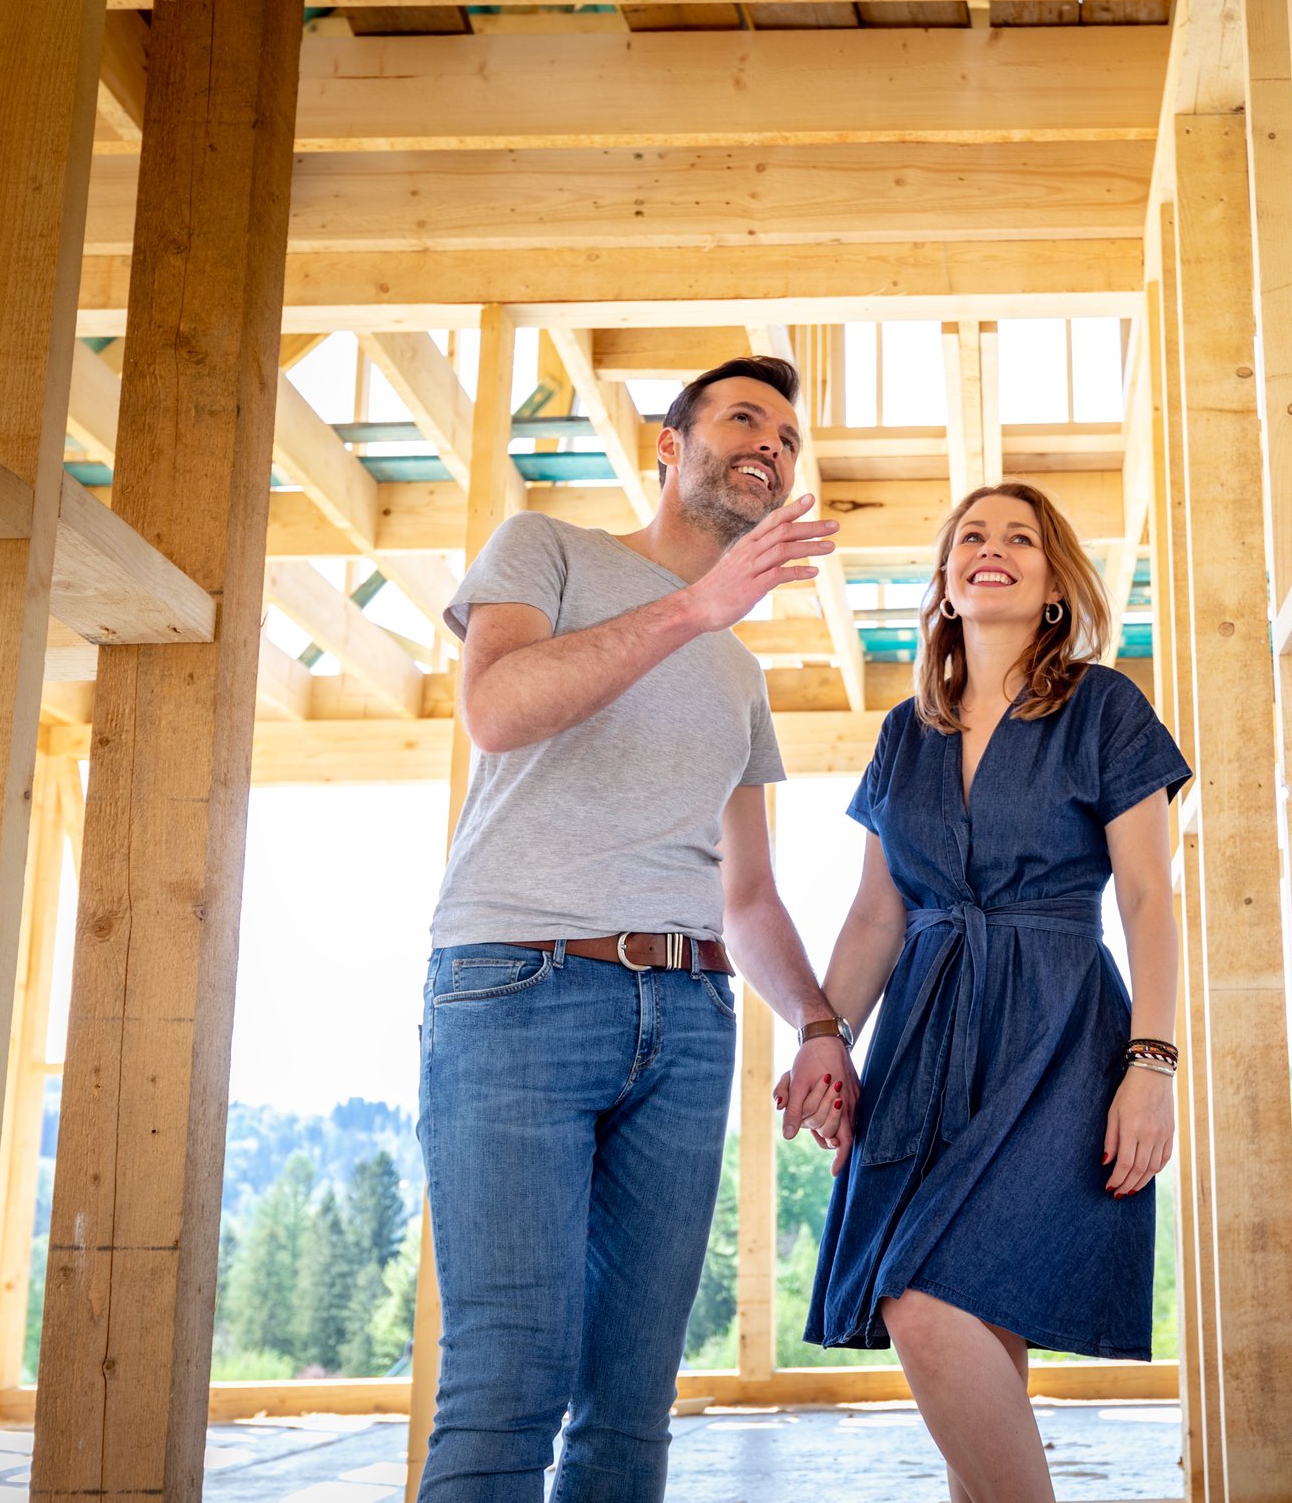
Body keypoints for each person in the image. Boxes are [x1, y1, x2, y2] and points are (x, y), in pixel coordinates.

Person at [418, 354, 860, 1501]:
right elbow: (495, 709)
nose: (772, 442)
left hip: (689, 1016)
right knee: (505, 1376)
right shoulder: (546, 550)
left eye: (789, 438)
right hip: (518, 986)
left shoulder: (738, 672)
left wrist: (818, 1022)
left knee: (630, 1402)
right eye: (744, 418)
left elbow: (749, 893)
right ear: (671, 445)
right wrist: (694, 607)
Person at [791, 482, 1191, 1503]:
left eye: (1021, 537)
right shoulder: (902, 731)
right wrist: (825, 1036)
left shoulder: (1103, 706)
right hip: (922, 1039)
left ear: (1055, 584)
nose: (992, 548)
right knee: (971, 1317)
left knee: (921, 1299)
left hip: (1058, 1033)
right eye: (971, 535)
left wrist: (1153, 1063)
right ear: (943, 578)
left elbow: (1147, 894)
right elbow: (877, 912)